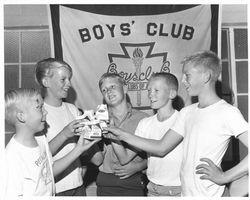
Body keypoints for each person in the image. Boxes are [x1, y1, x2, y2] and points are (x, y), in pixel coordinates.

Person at [105, 50, 248, 196]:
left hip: (211, 195)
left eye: (187, 75)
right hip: (186, 194)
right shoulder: (187, 112)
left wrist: (225, 177)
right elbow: (161, 147)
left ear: (206, 76)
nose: (184, 81)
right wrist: (120, 134)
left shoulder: (226, 112)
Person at [4, 88, 98, 197]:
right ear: (21, 116)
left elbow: (49, 171)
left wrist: (78, 149)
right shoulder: (11, 158)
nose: (46, 112)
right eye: (39, 108)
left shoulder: (41, 139)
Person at [106, 72, 183, 196]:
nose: (150, 94)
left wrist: (122, 134)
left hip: (178, 189)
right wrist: (113, 136)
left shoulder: (183, 119)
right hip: (152, 189)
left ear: (172, 93)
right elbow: (124, 158)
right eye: (149, 90)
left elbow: (161, 149)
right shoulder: (145, 123)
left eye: (156, 90)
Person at [35, 58, 103, 196]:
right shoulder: (38, 113)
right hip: (53, 190)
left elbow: (96, 159)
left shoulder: (73, 110)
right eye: (63, 79)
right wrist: (64, 134)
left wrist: (96, 133)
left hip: (78, 186)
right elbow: (38, 157)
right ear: (46, 82)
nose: (69, 84)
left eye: (69, 79)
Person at [95, 73, 149, 196]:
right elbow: (96, 161)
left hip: (133, 182)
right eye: (104, 90)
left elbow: (155, 154)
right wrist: (88, 139)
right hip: (105, 182)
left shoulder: (143, 119)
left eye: (113, 87)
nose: (108, 91)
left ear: (125, 88)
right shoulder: (98, 119)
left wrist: (139, 166)